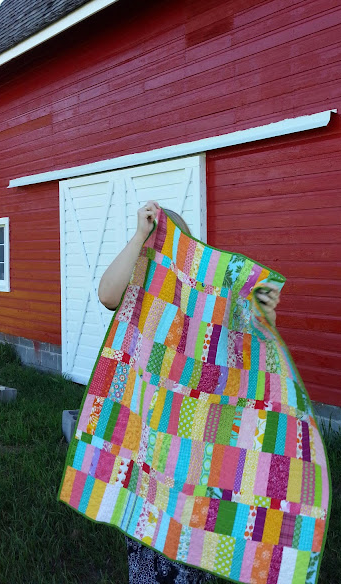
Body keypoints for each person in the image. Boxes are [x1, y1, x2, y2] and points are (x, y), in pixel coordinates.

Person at [98, 201, 281, 584]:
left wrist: (264, 313)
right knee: (146, 521)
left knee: (191, 524)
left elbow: (247, 344)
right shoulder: (139, 291)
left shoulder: (206, 297)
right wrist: (140, 234)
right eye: (154, 245)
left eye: (172, 245)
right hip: (146, 433)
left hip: (195, 439)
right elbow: (107, 294)